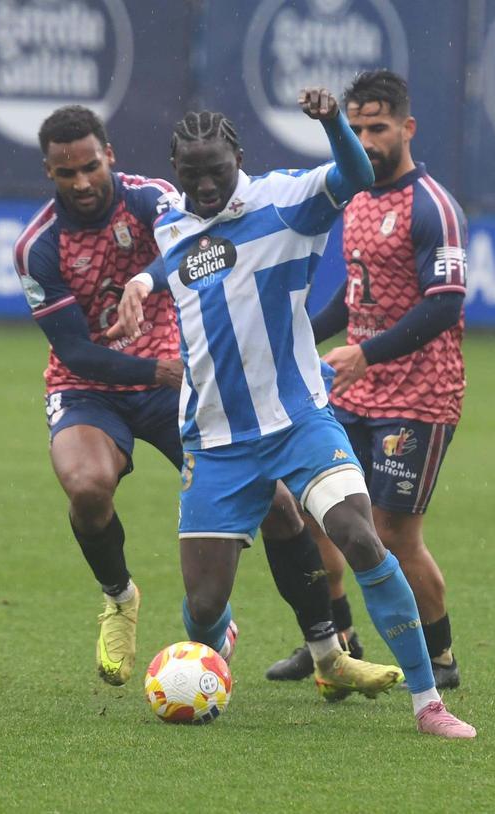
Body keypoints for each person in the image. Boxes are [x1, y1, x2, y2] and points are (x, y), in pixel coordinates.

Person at [107, 88, 476, 737]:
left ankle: (429, 703)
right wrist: (143, 282)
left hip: (300, 421)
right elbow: (178, 254)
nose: (206, 185)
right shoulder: (174, 222)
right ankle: (226, 646)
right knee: (202, 606)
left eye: (217, 171)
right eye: (191, 175)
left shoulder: (288, 199)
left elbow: (358, 174)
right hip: (217, 440)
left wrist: (333, 122)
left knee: (360, 536)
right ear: (176, 171)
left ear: (238, 159)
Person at [12, 105, 394, 698]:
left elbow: (203, 244)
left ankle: (327, 650)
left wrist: (145, 285)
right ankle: (120, 600)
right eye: (68, 174)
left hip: (185, 383)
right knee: (87, 487)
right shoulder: (38, 245)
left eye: (91, 166)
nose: (83, 182)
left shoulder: (156, 201)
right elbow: (76, 351)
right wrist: (155, 366)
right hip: (93, 387)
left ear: (109, 155)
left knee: (280, 505)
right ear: (49, 173)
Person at [264, 70, 466, 690]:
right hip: (356, 388)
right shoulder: (354, 198)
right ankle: (337, 641)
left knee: (393, 533)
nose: (367, 140)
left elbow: (445, 303)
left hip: (420, 395)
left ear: (407, 128)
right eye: (356, 128)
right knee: (316, 508)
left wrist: (366, 354)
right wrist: (289, 332)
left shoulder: (431, 204)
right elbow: (353, 302)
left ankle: (441, 658)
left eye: (378, 128)